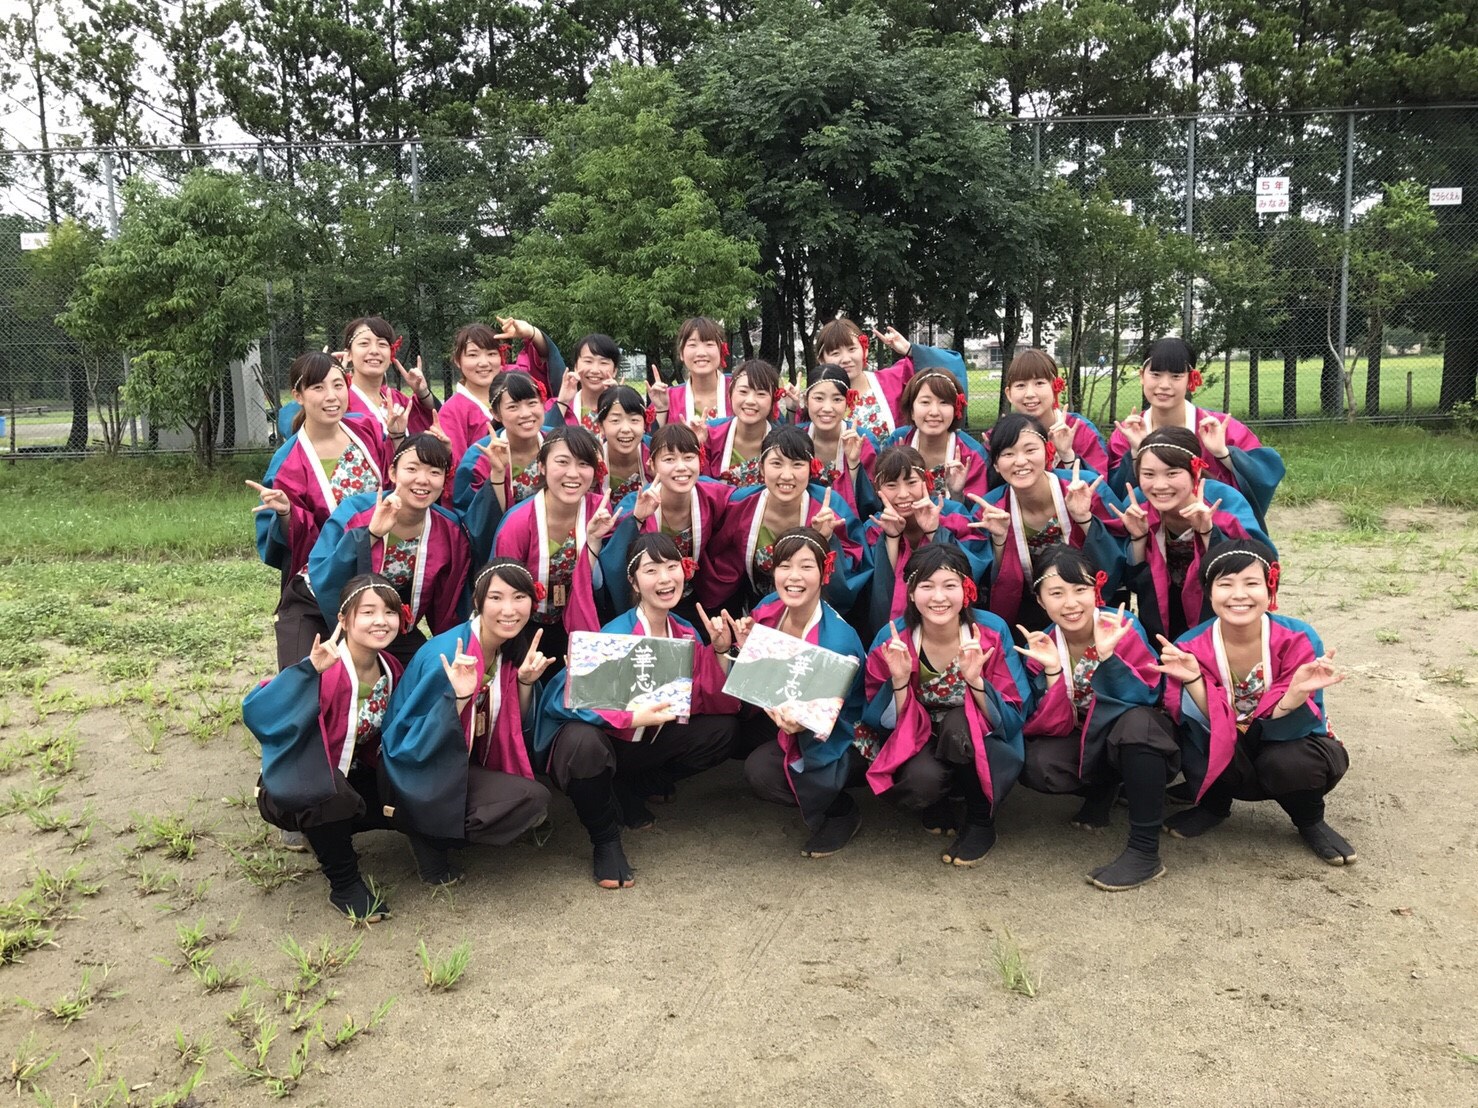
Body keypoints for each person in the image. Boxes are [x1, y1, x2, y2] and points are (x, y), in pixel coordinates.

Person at [537, 535, 743, 888]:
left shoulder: (685, 632)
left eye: (672, 567)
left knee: (722, 731)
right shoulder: (613, 635)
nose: (665, 578)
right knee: (582, 743)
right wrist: (629, 716)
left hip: (646, 743)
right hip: (606, 742)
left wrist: (720, 652)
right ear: (633, 582)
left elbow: (704, 698)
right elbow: (565, 701)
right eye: (651, 570)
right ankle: (605, 840)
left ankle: (631, 787)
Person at [1157, 539, 1355, 866]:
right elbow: (1195, 721)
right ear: (1208, 591)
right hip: (1225, 743)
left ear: (1269, 587)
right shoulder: (1189, 646)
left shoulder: (1298, 637)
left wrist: (1293, 696)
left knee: (1292, 762)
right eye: (1225, 584)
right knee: (1198, 741)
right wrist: (1193, 681)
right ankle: (1213, 807)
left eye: (1251, 583)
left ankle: (1309, 819)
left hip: (1287, 740)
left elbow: (1305, 720)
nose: (1239, 595)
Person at [379, 560, 557, 885]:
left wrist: (524, 683)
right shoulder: (449, 655)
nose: (509, 609)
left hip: (461, 758)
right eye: (496, 597)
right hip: (416, 769)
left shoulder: (506, 650)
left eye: (519, 597)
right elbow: (414, 741)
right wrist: (459, 698)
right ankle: (428, 833)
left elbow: (519, 726)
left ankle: (442, 826)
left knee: (532, 800)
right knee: (527, 800)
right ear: (477, 601)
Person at [243, 574, 406, 921]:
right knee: (328, 792)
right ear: (343, 619)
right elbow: (260, 711)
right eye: (368, 612)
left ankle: (327, 834)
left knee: (410, 795)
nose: (381, 620)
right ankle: (344, 885)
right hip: (297, 781)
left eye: (390, 611)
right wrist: (306, 673)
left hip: (351, 772)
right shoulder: (324, 667)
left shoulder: (390, 668)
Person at [1014, 545, 1178, 891]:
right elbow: (1048, 724)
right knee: (1038, 763)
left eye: (1080, 590)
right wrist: (1053, 672)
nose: (1071, 603)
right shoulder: (1043, 645)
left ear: (1096, 590)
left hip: (1133, 733)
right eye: (1056, 593)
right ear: (1040, 601)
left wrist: (1108, 658)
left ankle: (1144, 850)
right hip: (1086, 735)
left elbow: (1148, 696)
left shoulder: (1120, 627)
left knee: (1138, 725)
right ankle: (1103, 789)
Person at [859, 544, 1029, 866]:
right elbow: (881, 720)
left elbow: (1013, 711)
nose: (939, 597)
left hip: (976, 734)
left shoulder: (990, 632)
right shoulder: (892, 638)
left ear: (967, 589)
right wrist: (899, 680)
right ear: (911, 592)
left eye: (950, 585)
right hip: (917, 734)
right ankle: (938, 800)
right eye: (927, 586)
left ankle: (981, 820)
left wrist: (976, 681)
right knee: (921, 782)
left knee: (957, 726)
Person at [249, 352, 401, 671]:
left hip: (378, 570)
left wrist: (398, 437)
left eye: (338, 385)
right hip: (323, 582)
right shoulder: (289, 463)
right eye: (318, 387)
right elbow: (285, 543)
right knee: (308, 673)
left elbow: (395, 483)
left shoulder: (366, 430)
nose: (331, 396)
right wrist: (287, 513)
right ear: (298, 395)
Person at [739, 528, 870, 857]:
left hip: (839, 731)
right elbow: (760, 680)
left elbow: (821, 717)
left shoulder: (837, 641)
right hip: (785, 704)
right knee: (731, 729)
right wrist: (736, 648)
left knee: (762, 772)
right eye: (784, 566)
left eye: (806, 566)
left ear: (825, 573)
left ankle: (838, 808)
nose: (793, 576)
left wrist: (799, 722)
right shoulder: (771, 607)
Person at [308, 434, 476, 667]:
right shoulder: (356, 512)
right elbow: (325, 573)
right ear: (393, 473)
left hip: (381, 617)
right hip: (318, 606)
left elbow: (449, 600)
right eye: (412, 469)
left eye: (434, 472)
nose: (423, 480)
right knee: (314, 673)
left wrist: (452, 646)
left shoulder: (450, 529)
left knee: (428, 668)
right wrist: (371, 534)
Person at [1105, 426, 1271, 644]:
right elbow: (1133, 582)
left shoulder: (1225, 501)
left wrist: (1208, 532)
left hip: (1217, 612)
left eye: (1172, 473)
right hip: (1160, 614)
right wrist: (1138, 538)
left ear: (1196, 471)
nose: (1160, 485)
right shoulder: (1137, 505)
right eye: (1148, 474)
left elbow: (1257, 567)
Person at [965, 412, 1122, 634]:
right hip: (1024, 613)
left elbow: (1119, 554)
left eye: (1030, 450)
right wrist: (1000, 540)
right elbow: (986, 581)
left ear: (1048, 451)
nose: (1021, 461)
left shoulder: (1083, 488)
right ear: (996, 465)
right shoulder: (990, 509)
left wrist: (1084, 518)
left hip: (1086, 604)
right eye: (1008, 453)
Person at [1108, 337, 1285, 526]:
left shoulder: (1221, 429)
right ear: (1142, 376)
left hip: (1217, 531)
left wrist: (1224, 454)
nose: (1164, 384)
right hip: (1147, 535)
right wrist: (1136, 452)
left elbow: (1264, 477)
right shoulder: (1127, 433)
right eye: (1156, 374)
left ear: (1191, 379)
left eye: (1176, 376)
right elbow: (1115, 496)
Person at [491, 427, 624, 664]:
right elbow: (504, 590)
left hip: (580, 618)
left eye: (584, 464)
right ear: (541, 466)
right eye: (562, 462)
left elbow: (609, 572)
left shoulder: (599, 509)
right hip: (525, 625)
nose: (573, 473)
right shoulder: (518, 523)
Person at [708, 426, 865, 613]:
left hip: (812, 612)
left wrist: (826, 540)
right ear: (761, 468)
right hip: (755, 610)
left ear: (811, 468)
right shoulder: (741, 504)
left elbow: (852, 572)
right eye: (777, 463)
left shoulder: (830, 508)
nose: (787, 475)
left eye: (797, 464)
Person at [600, 423, 733, 623]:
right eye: (669, 459)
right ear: (652, 465)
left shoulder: (713, 494)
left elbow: (744, 508)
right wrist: (636, 520)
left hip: (694, 596)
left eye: (688, 457)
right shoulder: (635, 504)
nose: (681, 467)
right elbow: (613, 562)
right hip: (648, 602)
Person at [857, 445, 985, 645]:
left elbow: (969, 575)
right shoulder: (873, 528)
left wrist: (934, 531)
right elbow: (877, 592)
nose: (903, 494)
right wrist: (892, 537)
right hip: (891, 636)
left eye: (911, 482)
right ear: (877, 489)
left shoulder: (952, 515)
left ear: (926, 480)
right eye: (891, 485)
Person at [813, 319, 969, 444]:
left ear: (865, 350)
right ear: (821, 360)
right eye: (835, 353)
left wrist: (909, 349)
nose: (846, 359)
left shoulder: (892, 380)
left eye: (852, 349)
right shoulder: (815, 400)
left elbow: (950, 367)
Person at [997, 347, 1109, 476]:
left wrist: (1067, 455)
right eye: (1020, 385)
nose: (1030, 394)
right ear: (1009, 394)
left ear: (1055, 386)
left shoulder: (1082, 431)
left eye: (1039, 383)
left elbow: (1099, 485)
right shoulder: (1001, 435)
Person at [882, 370, 989, 502]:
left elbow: (977, 510)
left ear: (956, 408)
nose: (934, 412)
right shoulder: (897, 442)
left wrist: (957, 494)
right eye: (925, 402)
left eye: (944, 402)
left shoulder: (972, 455)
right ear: (911, 410)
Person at [451, 370, 547, 514]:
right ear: (495, 414)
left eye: (532, 403)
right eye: (513, 407)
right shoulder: (478, 459)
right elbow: (472, 519)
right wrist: (497, 474)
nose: (526, 413)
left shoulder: (560, 443)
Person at [797, 363, 877, 517]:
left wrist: (854, 464)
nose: (827, 408)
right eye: (819, 398)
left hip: (853, 526)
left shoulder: (863, 441)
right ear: (806, 400)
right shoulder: (796, 439)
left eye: (837, 399)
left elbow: (872, 506)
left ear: (848, 401)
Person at [337, 316, 438, 437]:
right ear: (348, 354)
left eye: (382, 344)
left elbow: (433, 420)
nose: (374, 351)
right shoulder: (339, 399)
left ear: (391, 355)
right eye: (364, 343)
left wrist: (423, 392)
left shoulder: (397, 399)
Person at [436, 322, 508, 479]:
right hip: (481, 489)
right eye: (473, 355)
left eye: (491, 353)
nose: (484, 363)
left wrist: (532, 334)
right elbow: (459, 472)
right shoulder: (452, 411)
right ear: (458, 360)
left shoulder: (514, 393)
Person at [700, 359, 781, 488]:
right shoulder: (710, 436)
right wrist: (695, 445)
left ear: (773, 400)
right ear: (730, 393)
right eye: (743, 392)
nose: (750, 401)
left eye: (761, 394)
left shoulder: (783, 444)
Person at [653, 316, 731, 425]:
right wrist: (661, 410)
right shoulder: (668, 398)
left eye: (709, 344)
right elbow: (652, 435)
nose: (701, 353)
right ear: (681, 353)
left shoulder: (740, 388)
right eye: (692, 345)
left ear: (721, 350)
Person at [594, 385, 652, 504]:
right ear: (601, 426)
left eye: (634, 420)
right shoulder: (589, 462)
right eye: (615, 420)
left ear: (645, 424)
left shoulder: (656, 455)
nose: (626, 429)